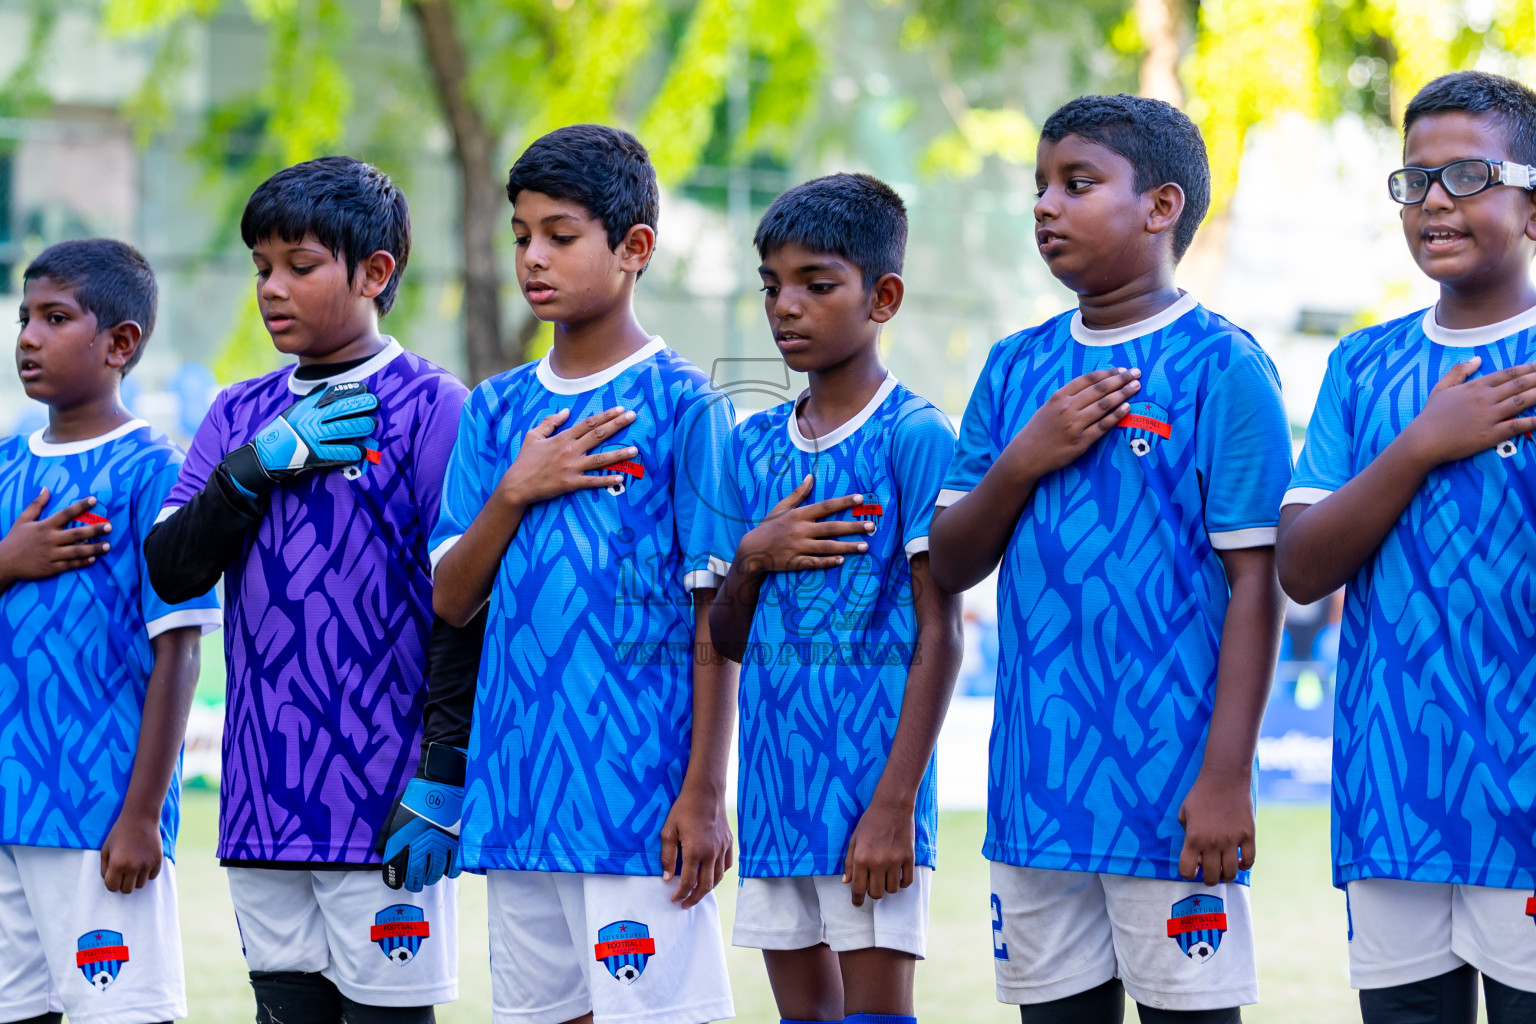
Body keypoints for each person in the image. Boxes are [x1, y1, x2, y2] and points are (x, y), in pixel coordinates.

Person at [928, 94, 1293, 1023]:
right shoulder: (1015, 368)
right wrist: (1023, 458)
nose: (1046, 205)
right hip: (1036, 794)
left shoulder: (1225, 367)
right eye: (1040, 186)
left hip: (1174, 801)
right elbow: (952, 563)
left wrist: (1224, 780)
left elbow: (1260, 584)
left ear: (1161, 207)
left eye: (1077, 183)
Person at [144, 157, 470, 1023]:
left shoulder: (436, 405)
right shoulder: (235, 414)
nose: (272, 288)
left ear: (374, 273)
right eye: (261, 267)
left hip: (389, 809)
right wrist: (253, 470)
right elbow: (171, 566)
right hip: (261, 807)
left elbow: (463, 605)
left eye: (299, 263)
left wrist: (444, 773)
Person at [430, 124, 737, 1024]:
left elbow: (715, 617)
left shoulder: (688, 406)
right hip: (520, 794)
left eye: (560, 236)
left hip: (640, 800)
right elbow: (452, 599)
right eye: (521, 235)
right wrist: (515, 492)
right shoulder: (495, 410)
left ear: (633, 248)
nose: (534, 256)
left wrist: (705, 793)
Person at [1276, 70, 1536, 1024]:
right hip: (1393, 805)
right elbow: (1302, 567)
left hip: (1527, 806)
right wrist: (1424, 442)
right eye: (1414, 179)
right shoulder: (1362, 365)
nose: (1433, 199)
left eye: (1469, 175)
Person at [704, 172, 962, 1024]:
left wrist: (895, 805)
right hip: (777, 796)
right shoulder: (748, 448)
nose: (788, 306)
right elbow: (727, 636)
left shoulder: (915, 436)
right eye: (773, 285)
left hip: (871, 802)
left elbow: (941, 635)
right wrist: (751, 557)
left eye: (818, 285)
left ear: (882, 296)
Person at [0, 239, 221, 1024]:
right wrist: (7, 561)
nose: (27, 335)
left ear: (120, 343)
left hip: (96, 816)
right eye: (26, 316)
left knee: (120, 1015)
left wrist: (138, 815)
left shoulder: (155, 471)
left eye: (55, 317)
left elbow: (180, 650)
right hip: (7, 808)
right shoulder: (2, 467)